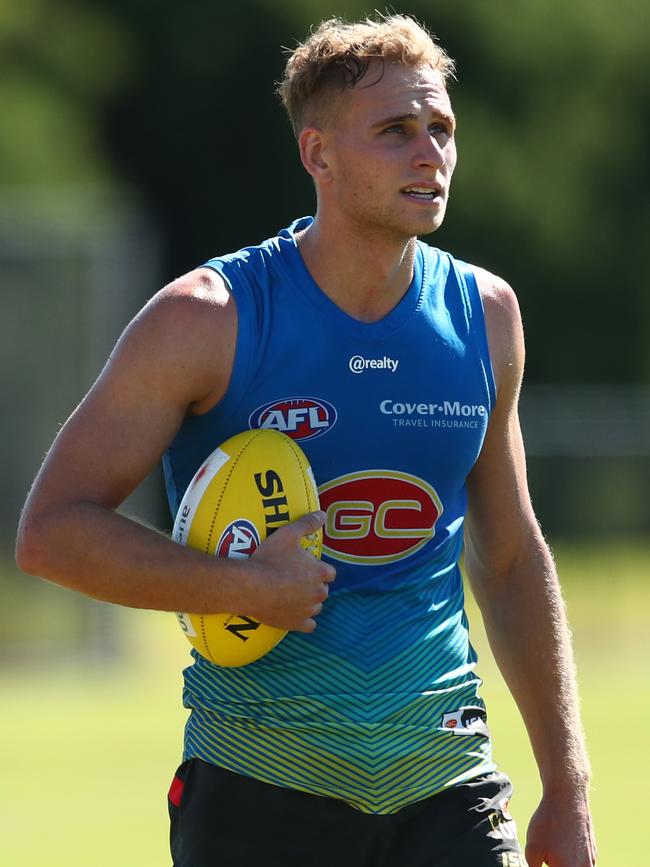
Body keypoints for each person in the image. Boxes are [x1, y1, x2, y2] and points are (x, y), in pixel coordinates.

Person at [16, 14, 596, 867]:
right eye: (396, 131)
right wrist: (240, 584)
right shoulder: (205, 320)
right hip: (258, 788)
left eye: (441, 129)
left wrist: (568, 784)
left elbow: (509, 559)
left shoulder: (486, 317)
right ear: (317, 154)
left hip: (447, 783)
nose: (429, 152)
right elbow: (52, 530)